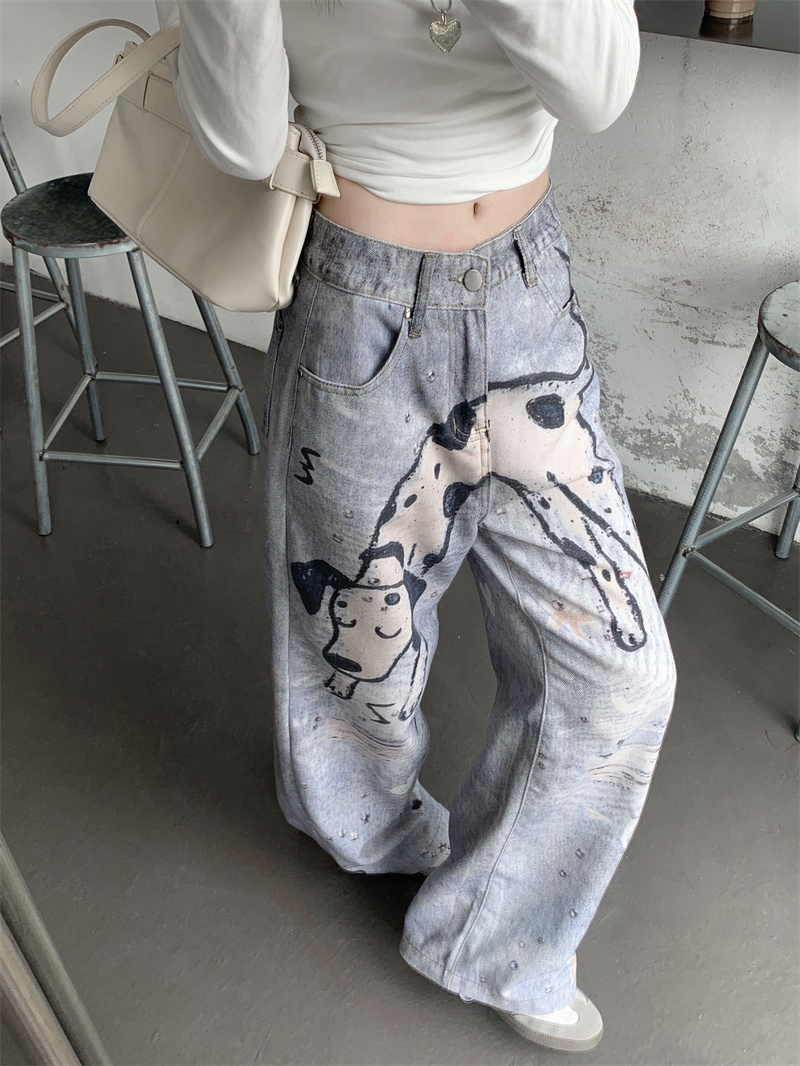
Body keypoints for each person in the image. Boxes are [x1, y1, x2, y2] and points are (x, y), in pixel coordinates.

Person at [155, 0, 677, 1052]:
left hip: (526, 298)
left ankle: (497, 938)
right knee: (356, 659)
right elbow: (242, 142)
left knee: (622, 672)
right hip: (359, 306)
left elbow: (598, 90)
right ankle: (369, 833)